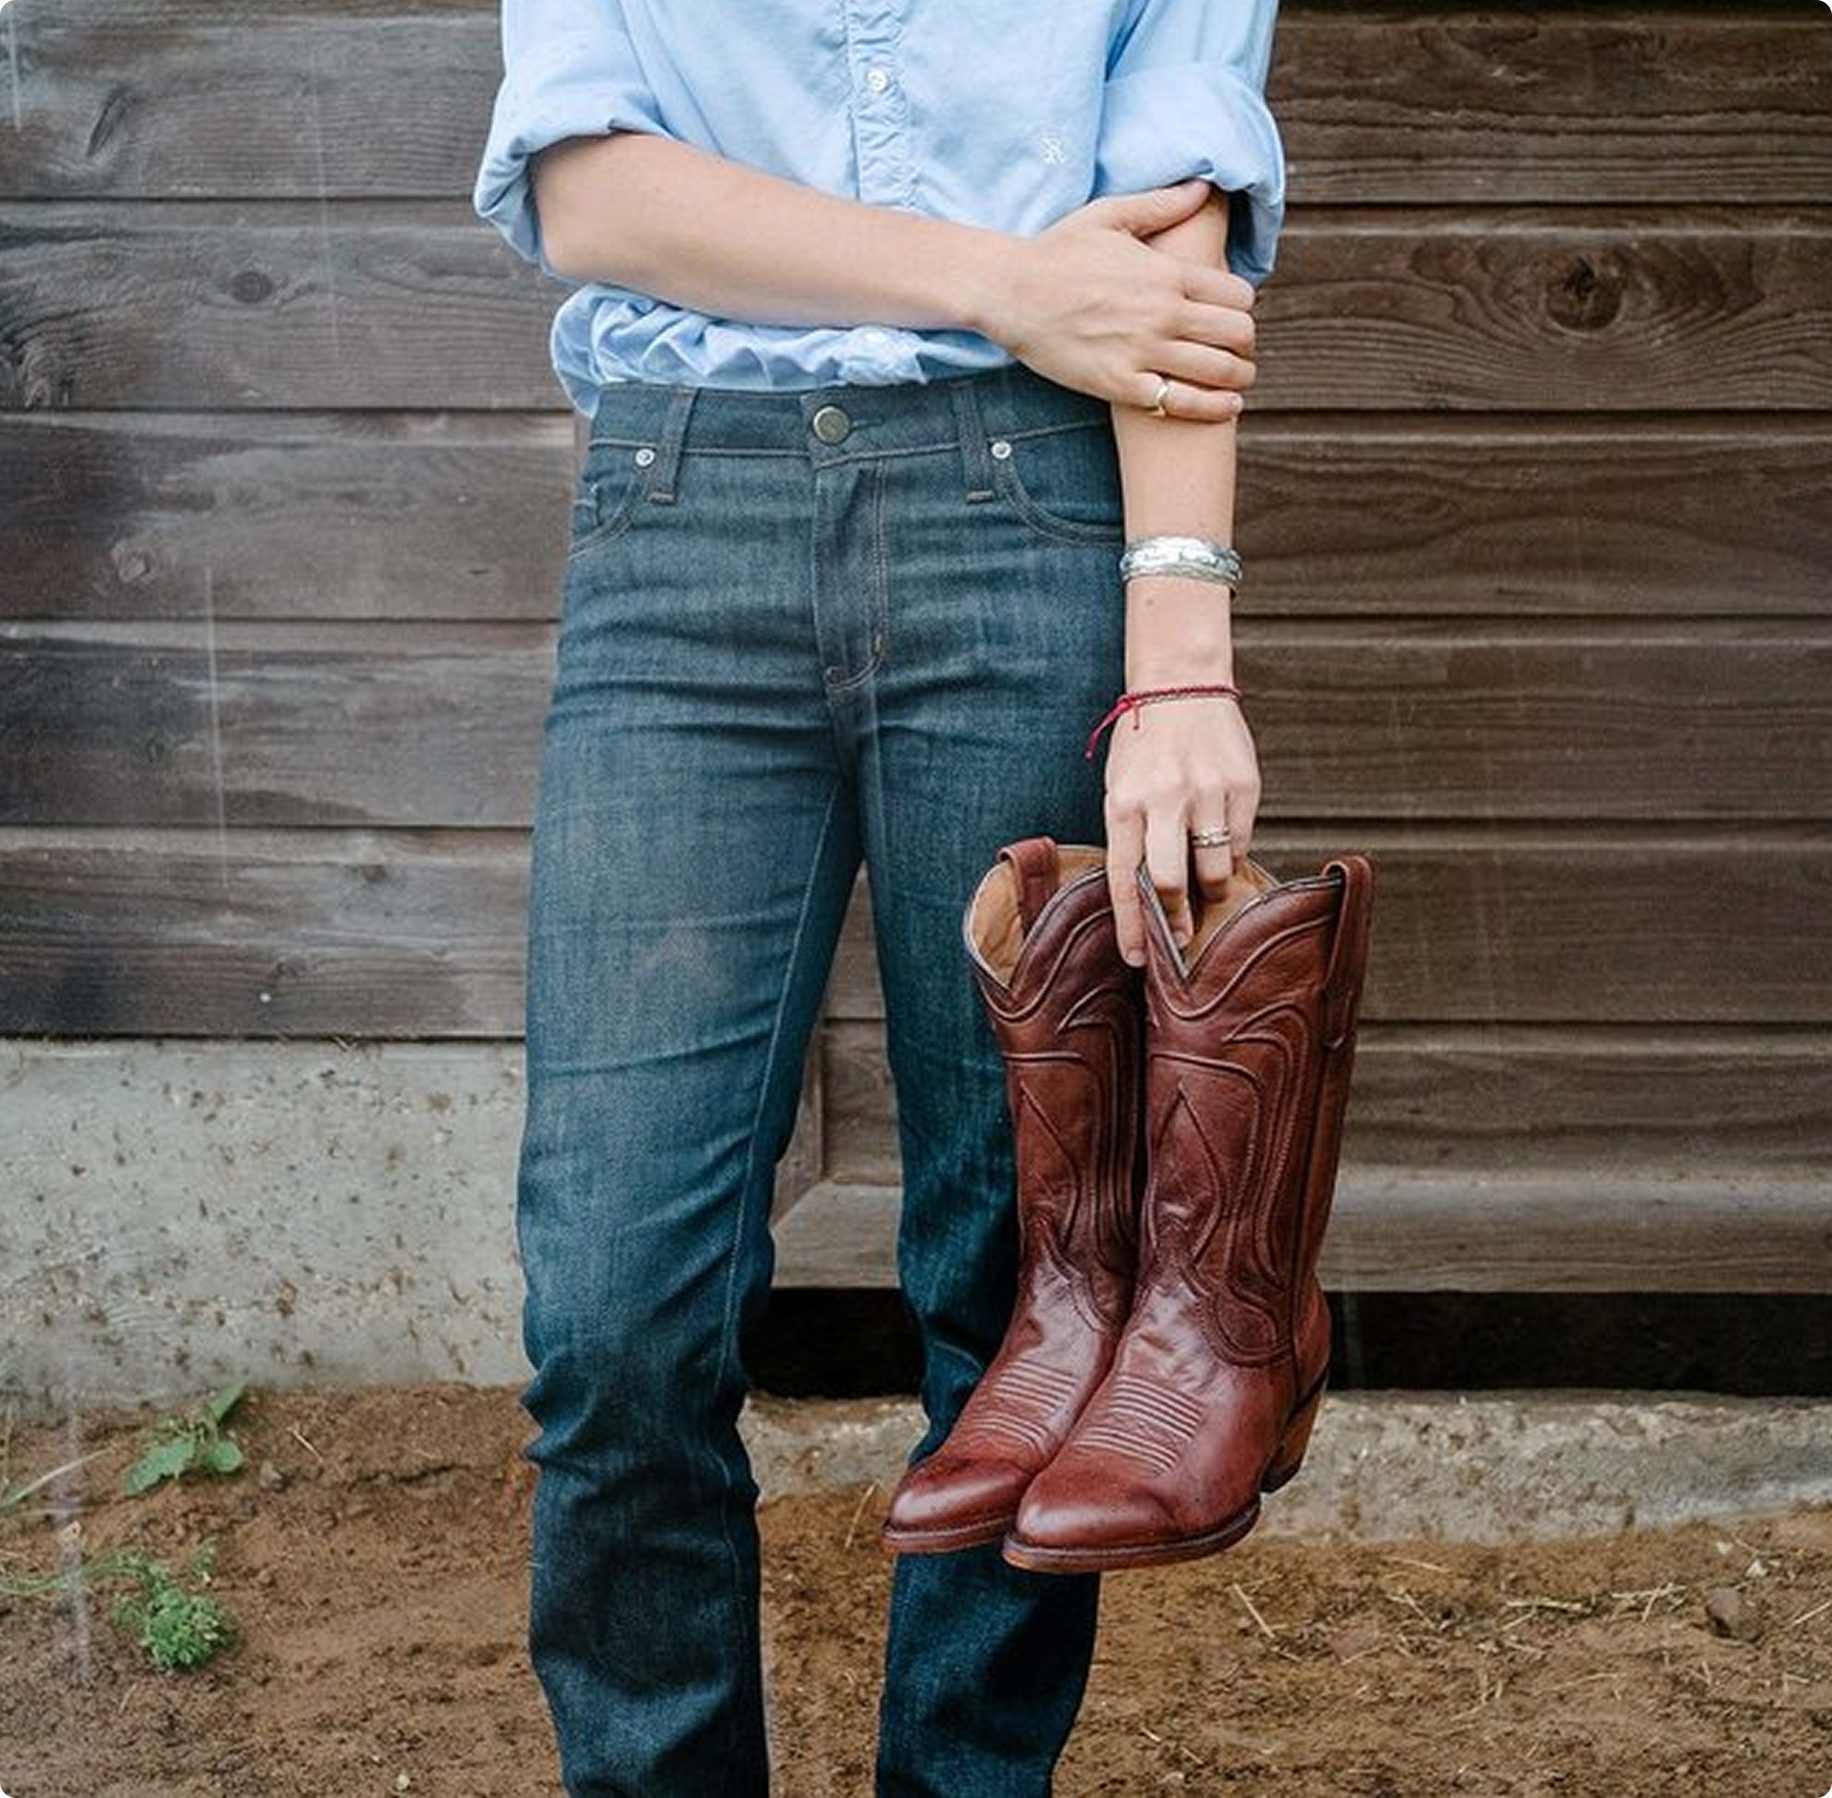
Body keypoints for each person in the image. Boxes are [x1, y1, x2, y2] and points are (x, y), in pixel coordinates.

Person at [472, 2, 1286, 1791]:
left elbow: (1173, 225)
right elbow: (588, 187)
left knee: (1021, 1281)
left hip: (1028, 505)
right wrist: (1004, 281)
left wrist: (1181, 652)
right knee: (613, 1310)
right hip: (683, 521)